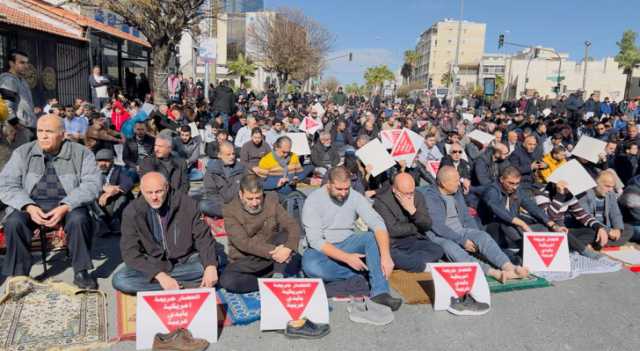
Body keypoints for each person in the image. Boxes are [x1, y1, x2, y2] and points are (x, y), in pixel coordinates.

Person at [0, 115, 102, 289]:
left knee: (79, 219)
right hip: (32, 203)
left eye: (49, 132)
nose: (43, 136)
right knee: (13, 222)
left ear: (62, 134)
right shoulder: (23, 153)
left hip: (68, 203)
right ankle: (19, 273)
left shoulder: (81, 153)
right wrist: (28, 206)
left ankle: (81, 271)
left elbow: (93, 184)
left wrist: (66, 205)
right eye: (40, 131)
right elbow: (6, 185)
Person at [302, 166, 402, 311]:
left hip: (348, 242)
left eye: (346, 189)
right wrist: (347, 258)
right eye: (339, 189)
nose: (343, 193)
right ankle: (367, 270)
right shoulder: (314, 200)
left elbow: (377, 223)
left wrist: (386, 256)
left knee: (370, 237)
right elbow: (316, 241)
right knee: (312, 267)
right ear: (328, 184)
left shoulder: (354, 196)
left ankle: (380, 293)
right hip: (322, 249)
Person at [112, 172, 219, 294]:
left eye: (158, 192)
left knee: (212, 265)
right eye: (149, 193)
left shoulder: (186, 204)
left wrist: (210, 266)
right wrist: (159, 275)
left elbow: (203, 237)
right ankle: (185, 285)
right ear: (141, 190)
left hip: (184, 261)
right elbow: (130, 252)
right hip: (153, 264)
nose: (154, 197)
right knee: (121, 280)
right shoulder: (132, 212)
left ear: (167, 188)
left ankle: (174, 284)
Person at [420, 166, 529, 282]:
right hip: (439, 235)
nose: (459, 183)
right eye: (456, 181)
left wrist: (475, 235)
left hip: (461, 230)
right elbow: (439, 227)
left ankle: (509, 267)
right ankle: (494, 273)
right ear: (443, 183)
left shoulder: (456, 192)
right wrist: (461, 240)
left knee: (483, 237)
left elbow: (467, 217)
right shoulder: (430, 196)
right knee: (451, 248)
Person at [220, 174, 301, 293]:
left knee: (285, 235)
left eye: (258, 198)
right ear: (241, 194)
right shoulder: (230, 210)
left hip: (273, 256)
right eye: (250, 199)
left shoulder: (271, 201)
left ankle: (277, 274)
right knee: (228, 281)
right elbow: (244, 243)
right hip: (248, 260)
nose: (254, 203)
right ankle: (270, 279)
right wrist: (276, 252)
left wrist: (288, 247)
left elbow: (292, 225)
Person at [480, 166, 562, 257]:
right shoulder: (492, 191)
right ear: (502, 179)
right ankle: (528, 252)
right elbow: (498, 211)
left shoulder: (517, 190)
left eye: (517, 183)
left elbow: (532, 207)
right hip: (491, 227)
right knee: (506, 223)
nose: (515, 187)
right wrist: (521, 224)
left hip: (512, 227)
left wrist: (552, 224)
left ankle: (534, 250)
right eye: (511, 183)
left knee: (544, 226)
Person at [373, 173, 443, 272]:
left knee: (438, 250)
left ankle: (412, 263)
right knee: (390, 255)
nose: (410, 196)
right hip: (394, 244)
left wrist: (413, 211)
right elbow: (393, 230)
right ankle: (419, 265)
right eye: (406, 193)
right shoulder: (381, 201)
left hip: (414, 240)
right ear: (394, 190)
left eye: (412, 192)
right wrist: (415, 227)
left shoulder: (417, 196)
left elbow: (427, 224)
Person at [572, 171, 633, 247]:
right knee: (590, 233)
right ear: (596, 183)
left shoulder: (611, 194)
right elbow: (587, 217)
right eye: (607, 186)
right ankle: (601, 242)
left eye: (612, 187)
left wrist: (618, 229)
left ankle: (598, 243)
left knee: (629, 229)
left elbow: (616, 214)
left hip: (607, 227)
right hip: (592, 227)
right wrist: (608, 231)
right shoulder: (584, 194)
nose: (610, 189)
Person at [200, 141, 246, 218]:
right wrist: (224, 204)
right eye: (228, 154)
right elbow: (211, 193)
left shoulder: (241, 168)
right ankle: (232, 214)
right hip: (220, 204)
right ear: (219, 155)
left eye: (233, 154)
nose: (232, 157)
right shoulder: (212, 170)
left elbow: (246, 190)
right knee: (203, 205)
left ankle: (229, 213)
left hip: (237, 203)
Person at [94, 148, 134, 234]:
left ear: (112, 161)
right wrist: (102, 188)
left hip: (115, 203)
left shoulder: (120, 170)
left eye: (106, 161)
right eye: (100, 161)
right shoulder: (93, 172)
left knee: (123, 197)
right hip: (100, 204)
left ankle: (116, 221)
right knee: (89, 197)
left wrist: (114, 190)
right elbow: (86, 185)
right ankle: (101, 221)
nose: (103, 164)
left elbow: (128, 183)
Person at [0, 50, 36, 129]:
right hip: (18, 129)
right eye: (22, 63)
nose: (26, 66)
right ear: (11, 63)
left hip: (27, 126)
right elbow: (5, 106)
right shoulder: (9, 80)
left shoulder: (22, 80)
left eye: (27, 63)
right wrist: (16, 124)